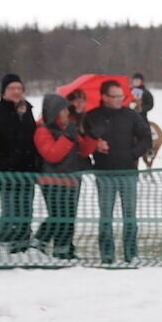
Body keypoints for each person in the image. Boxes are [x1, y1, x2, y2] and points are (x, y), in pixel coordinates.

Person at [82, 79, 152, 263]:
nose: (119, 100)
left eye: (121, 96)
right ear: (104, 97)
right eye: (115, 96)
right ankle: (107, 255)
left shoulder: (131, 115)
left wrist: (133, 154)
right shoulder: (92, 116)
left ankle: (131, 254)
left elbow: (146, 138)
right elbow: (82, 141)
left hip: (128, 172)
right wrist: (95, 144)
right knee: (106, 216)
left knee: (130, 216)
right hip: (104, 173)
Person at [32, 94, 99, 259]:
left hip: (71, 179)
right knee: (58, 215)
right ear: (54, 112)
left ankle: (64, 249)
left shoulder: (68, 127)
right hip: (51, 180)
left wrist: (91, 137)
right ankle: (39, 243)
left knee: (68, 216)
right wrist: (67, 137)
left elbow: (82, 151)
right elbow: (52, 154)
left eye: (66, 110)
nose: (66, 113)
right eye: (63, 110)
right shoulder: (42, 130)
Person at [0, 73, 40, 253]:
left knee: (26, 209)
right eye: (12, 88)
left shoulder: (27, 110)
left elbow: (31, 140)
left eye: (19, 88)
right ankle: (6, 242)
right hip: (6, 172)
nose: (16, 92)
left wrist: (35, 165)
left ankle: (23, 243)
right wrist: (5, 163)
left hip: (27, 171)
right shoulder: (1, 112)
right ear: (3, 92)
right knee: (10, 210)